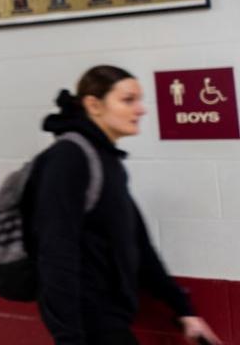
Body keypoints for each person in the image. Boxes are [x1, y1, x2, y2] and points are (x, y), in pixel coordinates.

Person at [24, 66, 222, 345]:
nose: (141, 110)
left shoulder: (106, 160)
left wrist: (183, 310)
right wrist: (68, 337)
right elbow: (55, 253)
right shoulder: (69, 159)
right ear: (94, 105)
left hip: (111, 316)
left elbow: (138, 242)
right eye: (128, 100)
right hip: (88, 321)